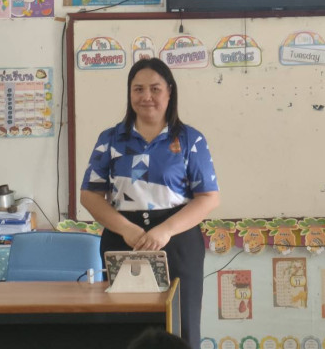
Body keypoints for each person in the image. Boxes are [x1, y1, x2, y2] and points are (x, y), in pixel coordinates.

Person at [80, 58, 220, 349]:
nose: (146, 96)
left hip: (177, 241)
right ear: (129, 93)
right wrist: (127, 230)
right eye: (138, 89)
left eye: (155, 89)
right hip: (123, 239)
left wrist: (165, 230)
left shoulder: (190, 140)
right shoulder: (111, 139)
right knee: (124, 328)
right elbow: (90, 195)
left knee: (181, 326)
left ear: (169, 92)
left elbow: (208, 197)